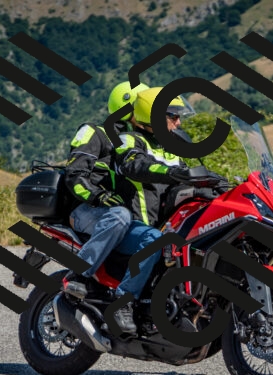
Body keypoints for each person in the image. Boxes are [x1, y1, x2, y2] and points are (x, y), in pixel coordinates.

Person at [111, 87, 225, 333]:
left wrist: (218, 184)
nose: (178, 122)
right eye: (173, 116)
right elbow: (135, 165)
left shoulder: (170, 149)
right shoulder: (128, 140)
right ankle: (123, 300)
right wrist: (173, 173)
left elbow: (186, 180)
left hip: (165, 226)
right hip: (131, 226)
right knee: (155, 240)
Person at [61, 81, 149, 302]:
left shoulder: (139, 142)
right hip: (86, 211)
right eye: (142, 107)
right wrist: (98, 196)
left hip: (120, 216)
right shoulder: (94, 133)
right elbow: (74, 175)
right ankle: (79, 273)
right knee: (120, 215)